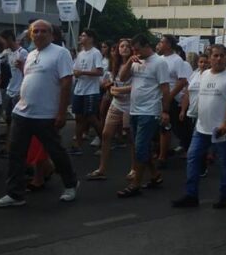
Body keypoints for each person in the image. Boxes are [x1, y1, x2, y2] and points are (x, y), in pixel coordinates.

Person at [0, 20, 80, 207]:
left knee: (57, 152)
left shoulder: (61, 53)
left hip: (46, 115)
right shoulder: (31, 54)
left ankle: (71, 184)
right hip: (22, 113)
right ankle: (15, 194)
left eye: (44, 31)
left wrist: (62, 112)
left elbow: (66, 83)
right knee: (16, 154)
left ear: (52, 34)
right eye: (35, 31)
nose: (39, 34)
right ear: (31, 34)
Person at [173, 44, 226, 209]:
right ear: (210, 58)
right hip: (201, 128)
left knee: (224, 163)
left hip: (220, 129)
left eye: (222, 56)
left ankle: (224, 196)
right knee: (192, 158)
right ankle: (191, 195)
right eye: (215, 56)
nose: (218, 59)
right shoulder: (203, 75)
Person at [116, 34, 171, 198]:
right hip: (134, 109)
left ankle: (135, 184)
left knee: (140, 147)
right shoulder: (135, 61)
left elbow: (165, 89)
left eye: (138, 49)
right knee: (141, 147)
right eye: (134, 49)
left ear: (148, 46)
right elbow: (122, 78)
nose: (136, 52)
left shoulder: (159, 62)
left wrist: (165, 111)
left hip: (149, 110)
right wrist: (128, 62)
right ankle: (154, 175)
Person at [87, 38, 134, 180]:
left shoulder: (135, 65)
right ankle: (102, 169)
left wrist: (116, 90)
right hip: (117, 103)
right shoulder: (116, 64)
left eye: (127, 46)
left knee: (131, 138)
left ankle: (134, 169)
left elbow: (137, 87)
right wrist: (111, 88)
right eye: (121, 46)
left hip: (131, 104)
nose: (124, 48)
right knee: (106, 134)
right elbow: (112, 82)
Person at [69, 29, 105, 155]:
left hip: (91, 90)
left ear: (90, 39)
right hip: (79, 90)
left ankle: (104, 142)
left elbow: (100, 72)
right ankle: (77, 145)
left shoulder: (96, 53)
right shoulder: (80, 53)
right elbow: (76, 70)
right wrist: (76, 73)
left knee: (91, 118)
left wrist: (82, 72)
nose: (80, 37)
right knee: (78, 118)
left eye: (83, 35)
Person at [157, 35, 191, 165]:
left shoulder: (177, 60)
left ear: (169, 45)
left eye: (162, 42)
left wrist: (170, 96)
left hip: (173, 99)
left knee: (177, 127)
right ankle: (162, 154)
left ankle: (187, 148)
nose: (159, 45)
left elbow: (182, 81)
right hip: (159, 97)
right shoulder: (158, 59)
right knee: (163, 126)